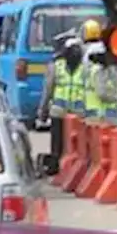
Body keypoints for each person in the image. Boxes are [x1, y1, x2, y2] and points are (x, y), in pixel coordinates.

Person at [37, 34, 83, 174]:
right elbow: (48, 90)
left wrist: (42, 113)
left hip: (71, 113)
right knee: (61, 145)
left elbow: (47, 91)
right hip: (66, 113)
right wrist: (43, 112)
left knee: (68, 144)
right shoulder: (59, 66)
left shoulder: (82, 68)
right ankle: (57, 166)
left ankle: (62, 167)